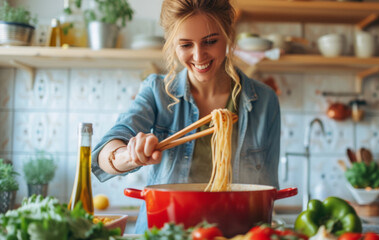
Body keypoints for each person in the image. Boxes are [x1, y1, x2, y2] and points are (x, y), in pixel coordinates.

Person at [91, 0, 280, 233]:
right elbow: (102, 155)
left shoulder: (265, 101)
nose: (199, 56)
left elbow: (268, 192)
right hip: (164, 232)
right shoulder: (157, 91)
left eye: (210, 41)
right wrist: (130, 155)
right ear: (172, 44)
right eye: (185, 44)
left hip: (234, 233)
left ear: (228, 35)